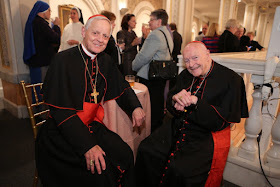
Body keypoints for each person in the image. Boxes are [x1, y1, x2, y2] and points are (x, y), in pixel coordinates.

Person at [35, 15, 146, 186]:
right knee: (100, 171)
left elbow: (122, 86)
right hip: (62, 131)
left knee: (124, 153)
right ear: (83, 31)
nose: (100, 40)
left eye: (105, 36)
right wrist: (87, 146)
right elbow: (60, 111)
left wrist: (135, 107)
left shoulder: (105, 61)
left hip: (91, 125)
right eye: (95, 33)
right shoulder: (62, 60)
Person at [135, 42, 249, 187]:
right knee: (146, 149)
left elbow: (223, 119)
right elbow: (171, 100)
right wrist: (175, 102)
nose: (191, 65)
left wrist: (197, 102)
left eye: (195, 58)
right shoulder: (185, 75)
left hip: (204, 136)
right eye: (187, 60)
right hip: (177, 127)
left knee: (180, 170)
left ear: (207, 54)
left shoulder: (231, 80)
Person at [132, 9, 173, 132]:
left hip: (151, 76)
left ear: (159, 21)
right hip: (161, 75)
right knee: (158, 104)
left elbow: (143, 56)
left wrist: (133, 66)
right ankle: (157, 130)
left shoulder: (155, 34)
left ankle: (149, 132)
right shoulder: (167, 34)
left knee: (150, 107)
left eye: (151, 19)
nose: (149, 22)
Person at [23, 1, 60, 89]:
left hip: (37, 61)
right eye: (49, 10)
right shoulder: (41, 23)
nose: (50, 13)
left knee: (38, 88)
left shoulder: (34, 22)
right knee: (43, 88)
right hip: (42, 62)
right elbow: (55, 38)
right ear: (43, 11)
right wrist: (56, 26)